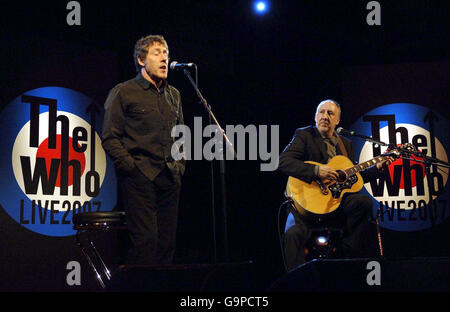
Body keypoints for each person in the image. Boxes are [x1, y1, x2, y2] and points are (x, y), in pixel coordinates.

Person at [278, 99, 391, 271]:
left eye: (330, 113)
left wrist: (377, 169)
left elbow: (351, 179)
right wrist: (316, 171)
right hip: (305, 206)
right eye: (321, 112)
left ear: (337, 120)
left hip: (334, 205)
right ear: (315, 117)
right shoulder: (304, 135)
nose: (325, 116)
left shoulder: (346, 144)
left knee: (363, 202)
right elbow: (283, 162)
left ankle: (346, 259)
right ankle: (297, 282)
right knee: (293, 234)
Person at [102, 35, 185, 265]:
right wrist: (132, 168)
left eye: (166, 53)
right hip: (140, 178)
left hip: (169, 178)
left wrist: (179, 167)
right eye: (157, 53)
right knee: (145, 245)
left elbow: (180, 136)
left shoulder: (174, 95)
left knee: (167, 245)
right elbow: (110, 137)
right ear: (141, 60)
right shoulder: (124, 91)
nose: (164, 58)